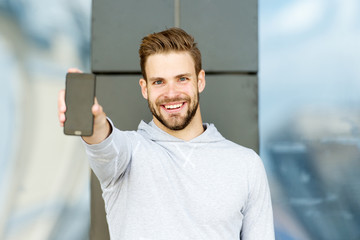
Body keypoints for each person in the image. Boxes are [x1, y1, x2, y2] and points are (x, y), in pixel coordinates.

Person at [58, 27, 274, 240]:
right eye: (159, 82)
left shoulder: (246, 165)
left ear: (200, 81)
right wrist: (93, 120)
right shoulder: (127, 157)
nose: (171, 94)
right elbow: (104, 142)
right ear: (145, 88)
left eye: (182, 79)